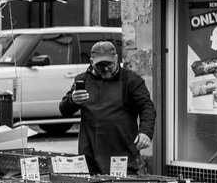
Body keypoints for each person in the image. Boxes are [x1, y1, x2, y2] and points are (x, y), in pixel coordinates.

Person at [59, 40, 156, 174]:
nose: (105, 69)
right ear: (92, 62)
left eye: (109, 64)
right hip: (90, 155)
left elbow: (147, 107)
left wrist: (145, 132)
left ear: (116, 59)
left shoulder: (131, 80)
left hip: (121, 154)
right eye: (100, 65)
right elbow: (64, 110)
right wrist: (72, 100)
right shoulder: (83, 80)